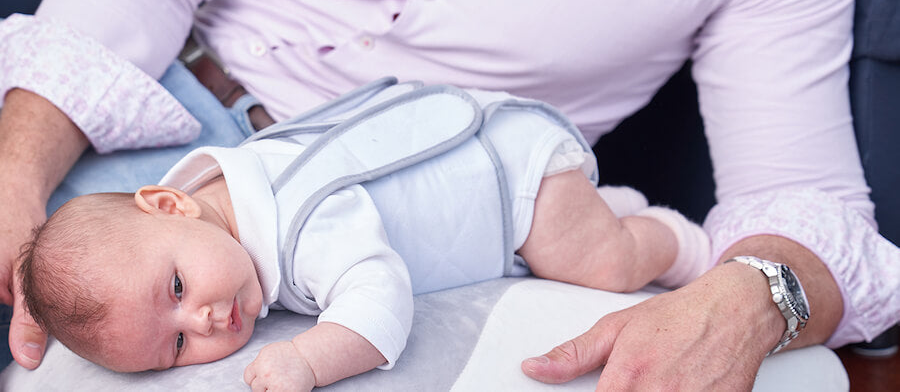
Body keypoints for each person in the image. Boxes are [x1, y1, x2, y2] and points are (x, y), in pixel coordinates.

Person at [0, 0, 898, 389]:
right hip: (152, 121)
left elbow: (805, 200)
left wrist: (754, 296)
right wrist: (13, 171)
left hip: (441, 206)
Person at [17, 83, 710, 391]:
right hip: (462, 147)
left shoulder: (304, 225)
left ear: (170, 204)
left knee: (601, 262)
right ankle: (606, 208)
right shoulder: (217, 202)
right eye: (175, 346)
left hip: (513, 179)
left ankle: (667, 236)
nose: (203, 319)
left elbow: (381, 299)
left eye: (175, 287)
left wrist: (308, 360)